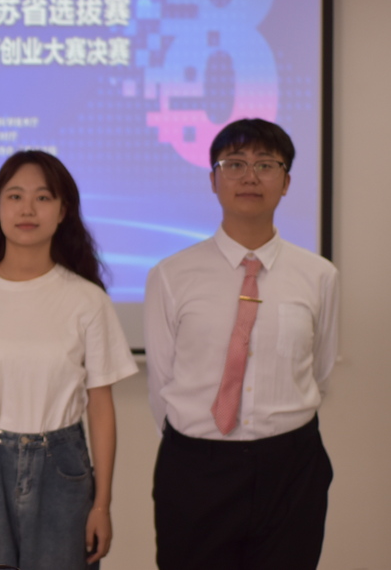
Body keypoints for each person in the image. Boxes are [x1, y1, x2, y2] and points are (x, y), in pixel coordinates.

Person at [0, 150, 137, 570]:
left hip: (63, 467)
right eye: (15, 196)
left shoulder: (87, 300)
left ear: (63, 211)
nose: (27, 209)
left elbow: (100, 405)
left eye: (42, 197)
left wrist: (102, 504)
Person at [144, 118, 338, 570]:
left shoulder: (319, 275)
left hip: (292, 468)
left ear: (286, 182)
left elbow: (320, 371)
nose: (250, 176)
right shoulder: (171, 275)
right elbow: (162, 383)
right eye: (234, 164)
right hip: (196, 470)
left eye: (266, 164)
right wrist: (203, 450)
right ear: (213, 179)